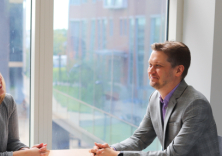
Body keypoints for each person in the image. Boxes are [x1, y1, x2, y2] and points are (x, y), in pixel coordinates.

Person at [89, 41, 220, 156]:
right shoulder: (155, 98)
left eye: (158, 66)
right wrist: (111, 149)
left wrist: (117, 155)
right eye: (150, 64)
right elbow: (140, 138)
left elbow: (172, 155)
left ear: (178, 70)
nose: (151, 71)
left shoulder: (196, 104)